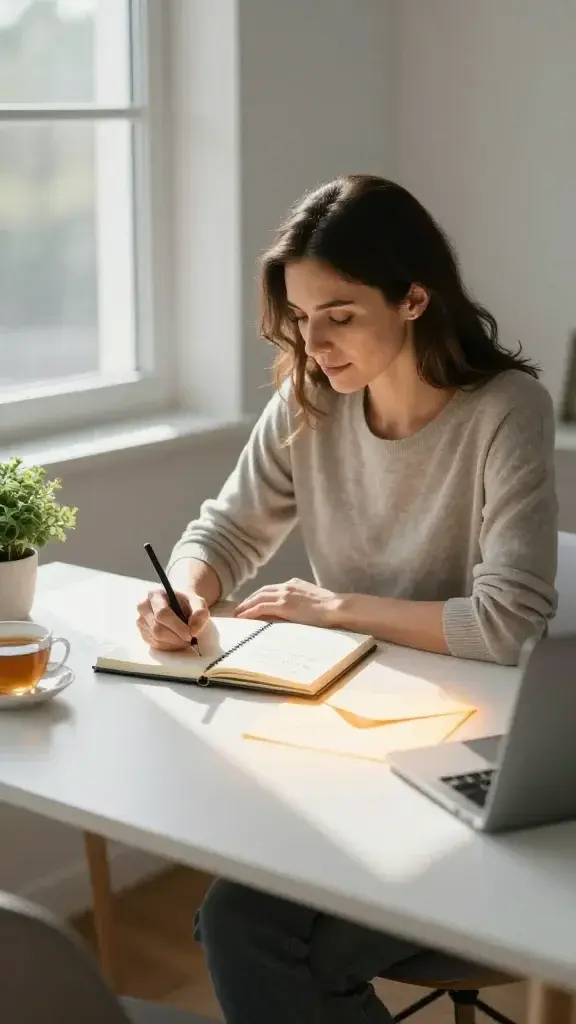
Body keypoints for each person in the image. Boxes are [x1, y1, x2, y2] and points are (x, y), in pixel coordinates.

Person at [136, 175, 558, 1024]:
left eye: (339, 314)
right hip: (352, 749)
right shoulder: (309, 402)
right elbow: (223, 533)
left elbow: (510, 622)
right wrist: (182, 595)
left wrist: (336, 607)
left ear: (412, 299)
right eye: (299, 316)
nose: (315, 341)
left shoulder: (507, 410)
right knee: (243, 929)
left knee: (246, 935)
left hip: (480, 766)